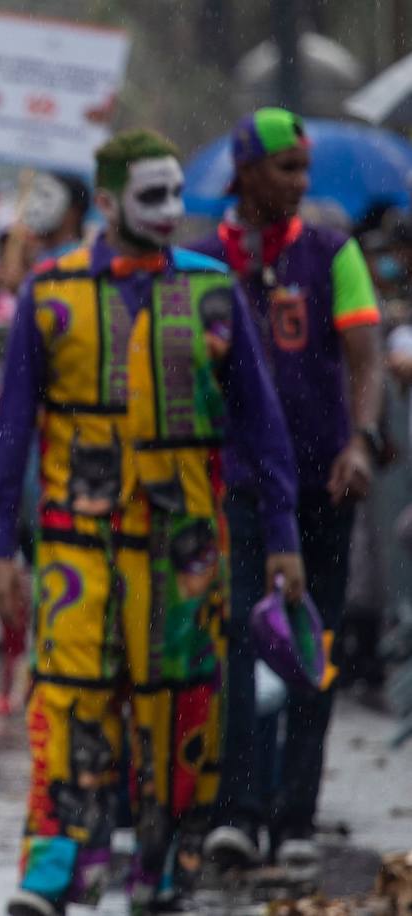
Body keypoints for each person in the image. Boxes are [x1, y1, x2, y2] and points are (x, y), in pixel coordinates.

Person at [0, 129, 304, 915]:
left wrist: (285, 536)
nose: (169, 212)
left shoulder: (212, 289)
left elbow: (261, 425)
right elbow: (13, 428)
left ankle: (161, 870)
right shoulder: (50, 292)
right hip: (75, 542)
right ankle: (57, 867)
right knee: (67, 697)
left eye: (175, 196)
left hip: (187, 546)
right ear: (105, 202)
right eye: (150, 196)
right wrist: (0, 547)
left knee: (178, 706)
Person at [186, 107, 385, 869]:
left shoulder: (335, 255)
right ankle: (236, 810)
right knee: (236, 640)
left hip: (323, 486)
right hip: (232, 488)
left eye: (304, 169)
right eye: (286, 169)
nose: (301, 183)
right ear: (245, 173)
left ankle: (296, 816)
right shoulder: (204, 266)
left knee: (312, 643)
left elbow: (362, 357)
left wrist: (360, 442)